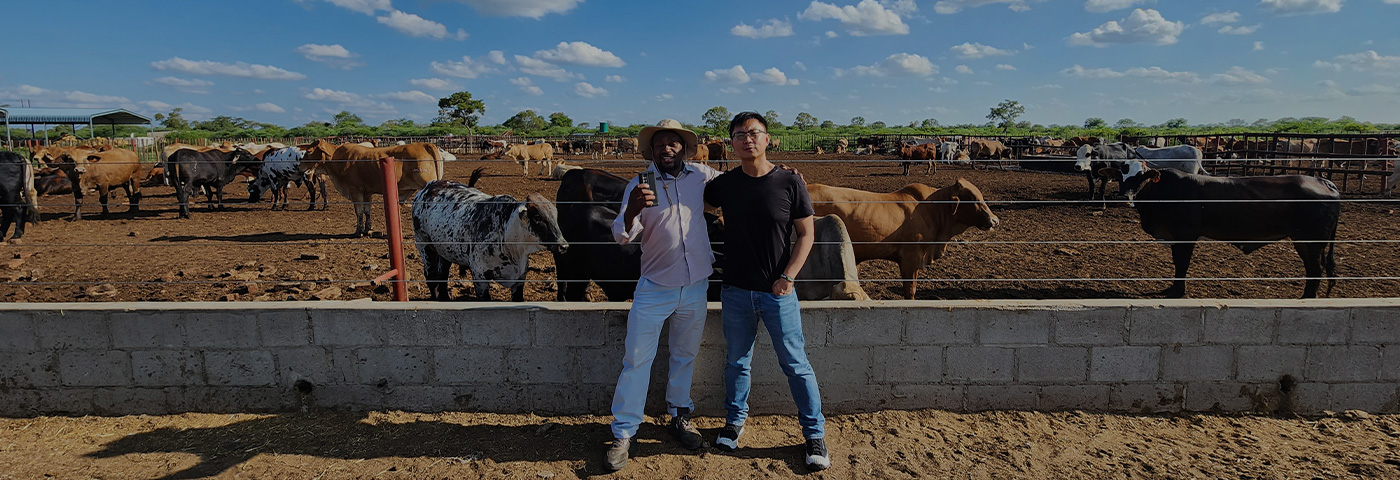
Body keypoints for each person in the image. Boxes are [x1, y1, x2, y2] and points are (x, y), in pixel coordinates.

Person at [702, 111, 830, 471]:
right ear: (732, 143)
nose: (747, 139)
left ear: (768, 138)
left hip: (778, 292)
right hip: (736, 291)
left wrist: (788, 277)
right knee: (736, 362)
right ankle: (734, 422)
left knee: (796, 364)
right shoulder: (724, 185)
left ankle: (814, 433)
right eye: (739, 134)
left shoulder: (789, 182)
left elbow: (807, 234)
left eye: (754, 133)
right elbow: (698, 203)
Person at [604, 119, 722, 472]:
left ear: (684, 149)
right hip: (654, 287)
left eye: (674, 143)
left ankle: (679, 415)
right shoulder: (640, 184)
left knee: (685, 353)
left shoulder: (702, 176)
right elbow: (621, 236)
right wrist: (632, 211)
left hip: (696, 284)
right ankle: (624, 431)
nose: (667, 148)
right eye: (660, 144)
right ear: (651, 151)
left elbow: (743, 182)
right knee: (637, 359)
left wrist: (781, 171)